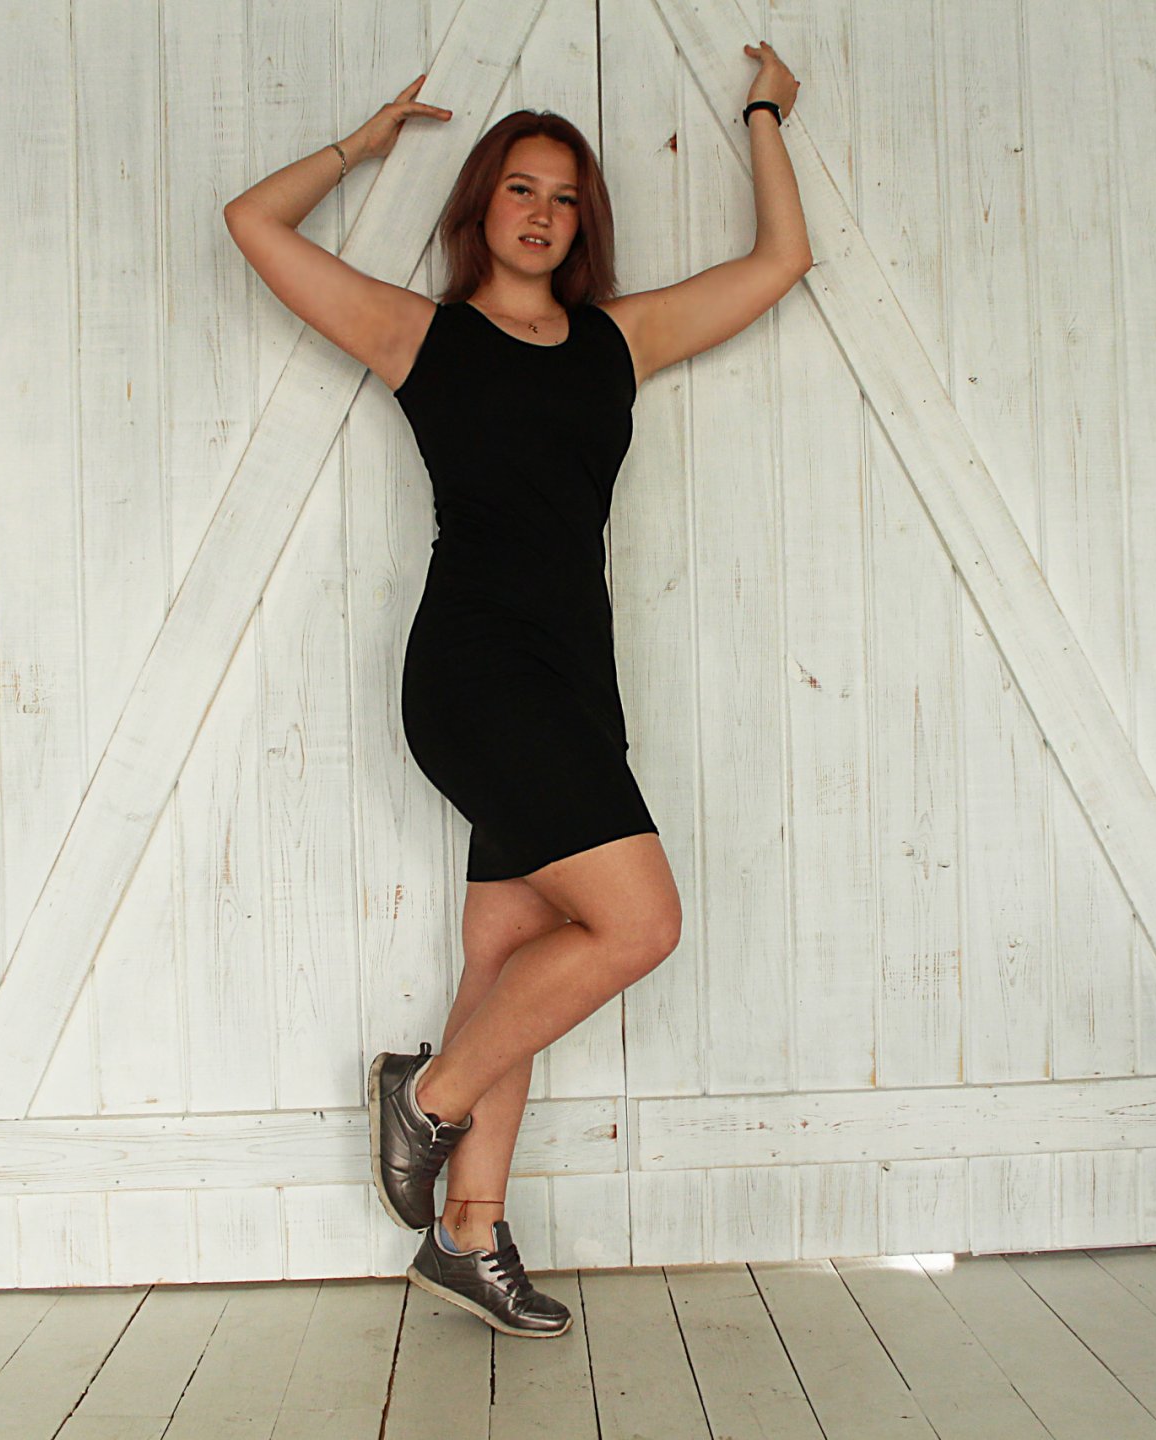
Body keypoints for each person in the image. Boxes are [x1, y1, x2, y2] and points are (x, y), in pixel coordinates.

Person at [222, 42, 809, 1338]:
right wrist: (361, 146)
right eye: (521, 189)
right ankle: (425, 1100)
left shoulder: (618, 340)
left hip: (577, 680)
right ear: (481, 204)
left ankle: (468, 1237)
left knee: (505, 959)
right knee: (639, 925)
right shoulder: (420, 335)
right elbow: (252, 223)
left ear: (583, 225)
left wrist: (765, 113)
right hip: (476, 675)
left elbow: (781, 263)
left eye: (566, 199)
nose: (543, 214)